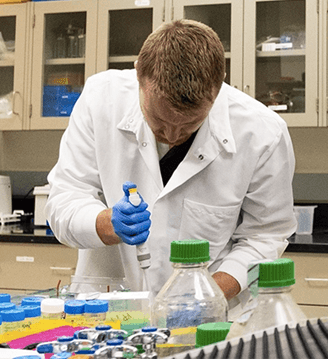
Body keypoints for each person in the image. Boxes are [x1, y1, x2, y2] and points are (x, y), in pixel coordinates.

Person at [45, 19, 297, 313]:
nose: (173, 136)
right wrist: (106, 223)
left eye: (190, 125)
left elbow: (265, 237)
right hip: (108, 311)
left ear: (219, 88)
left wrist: (208, 295)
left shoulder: (262, 133)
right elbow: (64, 199)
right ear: (140, 74)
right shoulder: (101, 99)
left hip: (210, 319)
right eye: (159, 122)